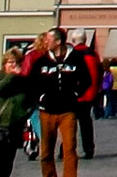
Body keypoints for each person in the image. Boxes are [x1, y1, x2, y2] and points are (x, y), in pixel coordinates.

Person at [32, 31, 88, 177]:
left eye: (48, 40)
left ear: (58, 42)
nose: (45, 42)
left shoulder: (76, 58)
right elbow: (32, 82)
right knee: (46, 151)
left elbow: (86, 80)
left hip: (68, 110)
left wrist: (76, 93)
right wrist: (40, 97)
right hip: (47, 111)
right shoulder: (41, 60)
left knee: (69, 148)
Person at [0, 50, 33, 177]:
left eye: (17, 62)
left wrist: (25, 112)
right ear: (4, 63)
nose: (14, 65)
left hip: (15, 125)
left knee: (8, 161)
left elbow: (30, 98)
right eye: (11, 62)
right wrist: (11, 76)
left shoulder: (23, 80)